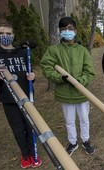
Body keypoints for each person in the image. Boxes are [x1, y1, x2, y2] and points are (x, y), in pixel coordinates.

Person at [0, 19, 42, 169]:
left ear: (13, 35)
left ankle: (34, 153)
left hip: (27, 96)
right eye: (1, 33)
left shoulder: (22, 52)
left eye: (8, 33)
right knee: (18, 128)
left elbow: (28, 73)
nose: (5, 36)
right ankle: (25, 155)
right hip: (9, 99)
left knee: (30, 125)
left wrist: (32, 77)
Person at [40, 17, 95, 156]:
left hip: (82, 93)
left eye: (70, 28)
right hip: (65, 94)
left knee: (84, 119)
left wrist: (79, 81)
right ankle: (73, 142)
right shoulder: (54, 50)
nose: (67, 31)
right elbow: (46, 66)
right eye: (64, 29)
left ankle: (86, 140)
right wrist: (59, 78)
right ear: (59, 31)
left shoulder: (82, 51)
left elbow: (89, 72)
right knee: (69, 121)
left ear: (75, 31)